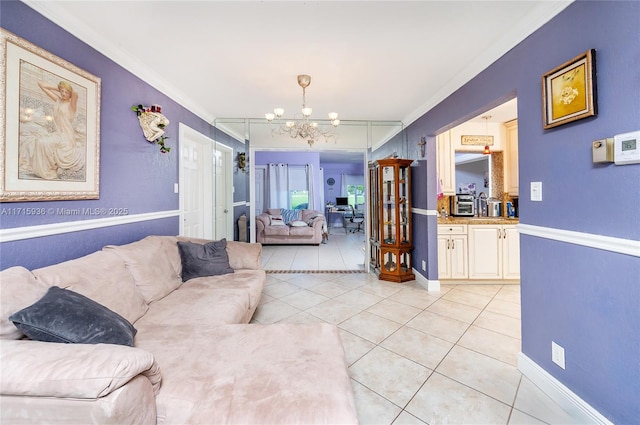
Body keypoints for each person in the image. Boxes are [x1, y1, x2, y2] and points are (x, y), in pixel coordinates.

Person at [23, 80, 84, 180]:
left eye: (66, 92)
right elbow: (41, 85)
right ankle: (44, 170)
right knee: (39, 141)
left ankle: (48, 171)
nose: (63, 94)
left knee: (43, 141)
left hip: (67, 137)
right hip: (58, 134)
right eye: (62, 92)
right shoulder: (58, 101)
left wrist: (64, 88)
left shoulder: (72, 106)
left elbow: (75, 93)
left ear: (69, 94)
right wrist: (59, 89)